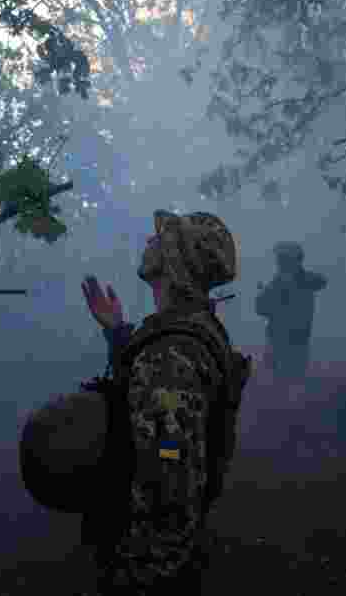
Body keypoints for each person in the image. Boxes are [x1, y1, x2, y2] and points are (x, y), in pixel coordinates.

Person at [78, 210, 249, 595]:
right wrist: (119, 335)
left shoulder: (171, 353)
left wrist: (141, 574)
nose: (150, 241)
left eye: (163, 238)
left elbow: (169, 469)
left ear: (173, 259)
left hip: (151, 567)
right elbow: (165, 415)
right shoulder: (189, 333)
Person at [254, 241, 327, 379]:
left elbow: (322, 281)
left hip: (296, 340)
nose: (279, 262)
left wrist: (296, 281)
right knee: (274, 379)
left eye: (282, 258)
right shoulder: (276, 283)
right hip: (277, 339)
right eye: (279, 259)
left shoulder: (304, 279)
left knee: (292, 379)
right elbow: (260, 308)